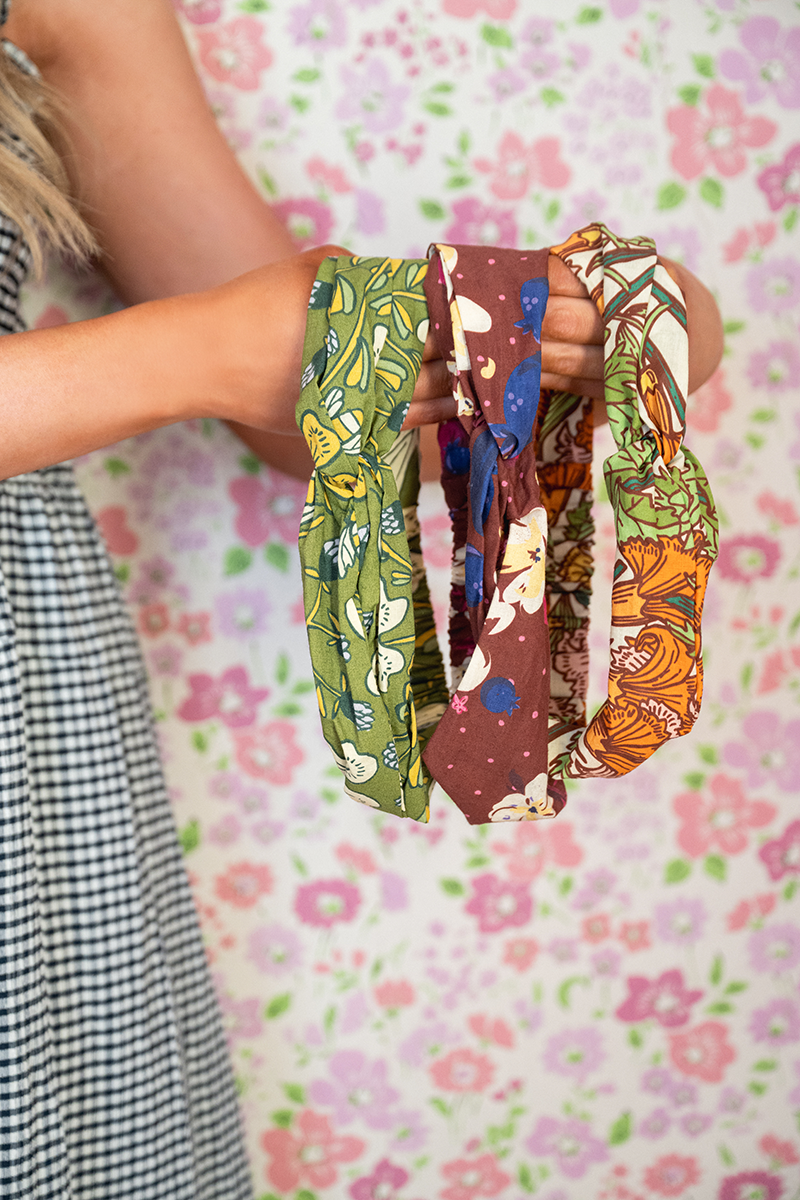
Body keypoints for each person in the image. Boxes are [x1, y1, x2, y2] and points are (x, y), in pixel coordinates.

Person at [0, 2, 723, 1198]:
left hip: (34, 741)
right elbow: (219, 348)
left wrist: (549, 339)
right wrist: (193, 353)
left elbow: (295, 394)